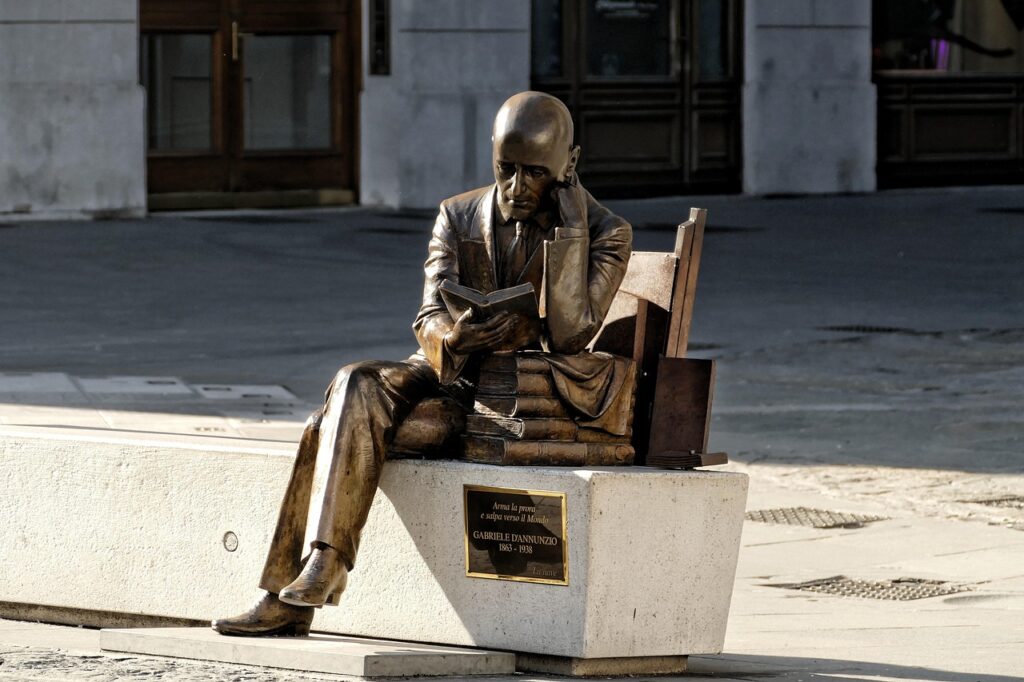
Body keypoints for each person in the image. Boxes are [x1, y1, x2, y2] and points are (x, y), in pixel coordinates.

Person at [212, 91, 632, 637]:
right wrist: (455, 337)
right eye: (505, 169)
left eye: (534, 173)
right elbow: (429, 312)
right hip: (446, 372)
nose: (515, 188)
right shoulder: (457, 215)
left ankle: (288, 596)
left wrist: (571, 229)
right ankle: (324, 565)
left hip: (517, 399)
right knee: (355, 379)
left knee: (326, 426)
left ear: (569, 165)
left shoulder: (606, 232)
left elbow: (574, 332)